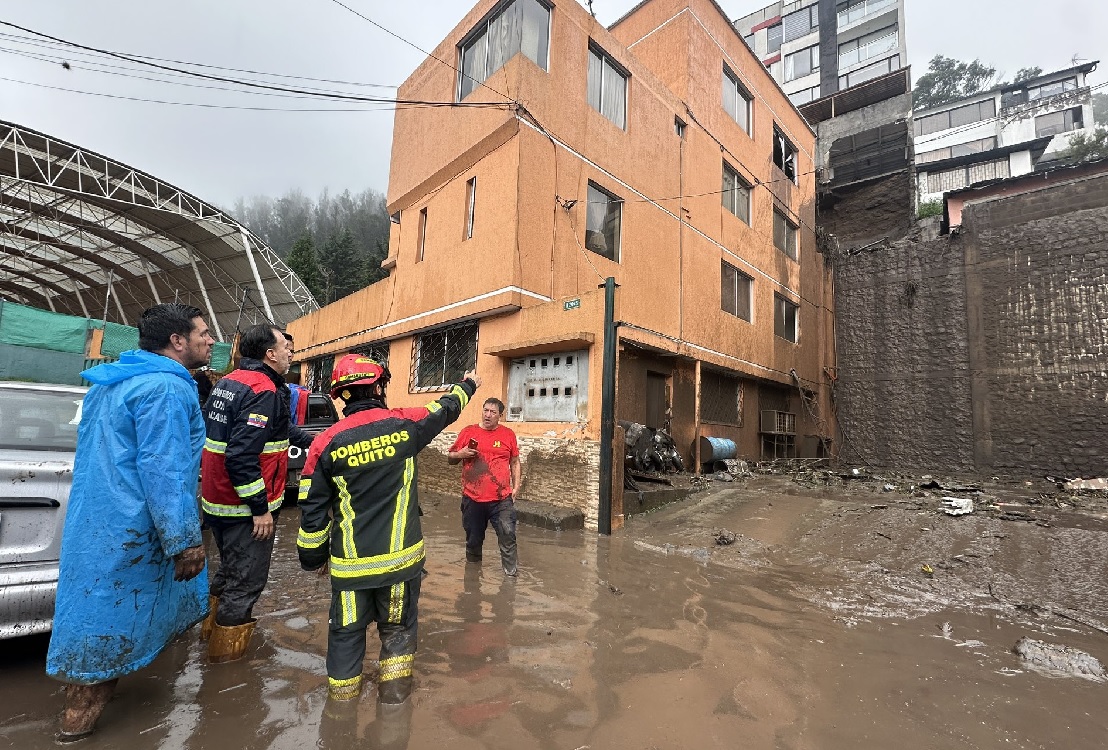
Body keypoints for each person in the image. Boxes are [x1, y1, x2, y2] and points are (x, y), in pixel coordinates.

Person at [45, 303, 214, 742]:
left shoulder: (111, 383)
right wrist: (183, 540)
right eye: (203, 333)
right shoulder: (166, 389)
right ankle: (74, 729)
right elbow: (165, 468)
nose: (210, 341)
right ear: (177, 341)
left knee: (95, 619)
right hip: (135, 530)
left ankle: (80, 714)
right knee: (108, 636)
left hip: (96, 524)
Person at [296, 355, 480, 704]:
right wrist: (468, 384)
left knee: (347, 636)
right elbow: (445, 408)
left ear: (341, 395)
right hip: (401, 567)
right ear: (378, 387)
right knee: (397, 633)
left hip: (350, 571)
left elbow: (312, 511)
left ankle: (341, 717)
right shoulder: (405, 425)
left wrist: (314, 559)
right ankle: (393, 708)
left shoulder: (325, 443)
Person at [199, 324, 315, 662]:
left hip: (218, 501)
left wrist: (318, 440)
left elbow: (279, 430)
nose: (290, 353)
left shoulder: (231, 381)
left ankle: (207, 637)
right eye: (285, 348)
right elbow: (241, 455)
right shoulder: (263, 388)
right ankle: (226, 667)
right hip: (243, 508)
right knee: (246, 583)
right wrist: (260, 508)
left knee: (227, 573)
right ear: (269, 353)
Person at [446, 398, 522, 576]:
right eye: (485, 410)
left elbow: (515, 461)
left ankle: (510, 575)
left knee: (508, 534)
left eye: (492, 412)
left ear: (500, 416)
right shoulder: (468, 432)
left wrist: (516, 487)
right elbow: (450, 458)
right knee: (473, 540)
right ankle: (473, 576)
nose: (488, 415)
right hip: (473, 498)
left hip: (501, 498)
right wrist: (461, 454)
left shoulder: (508, 434)